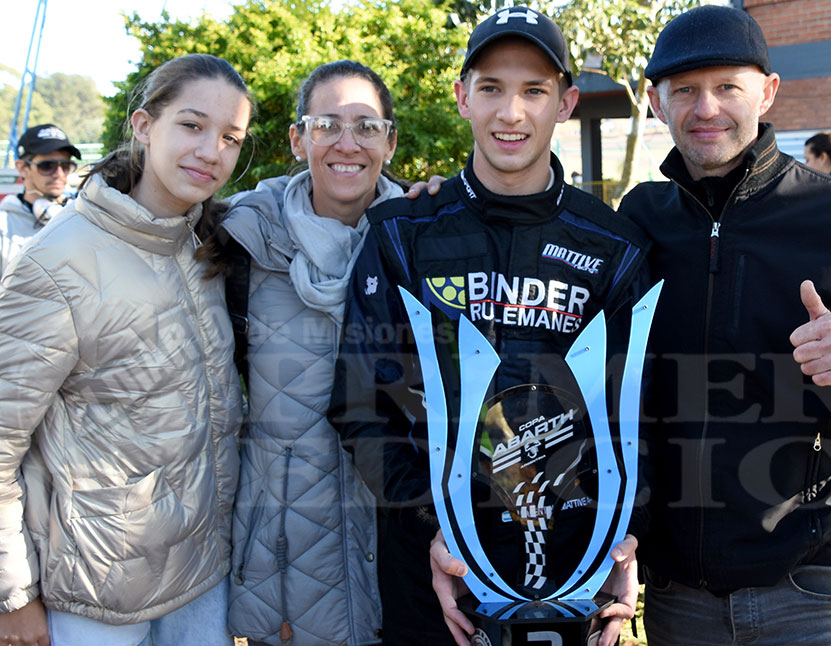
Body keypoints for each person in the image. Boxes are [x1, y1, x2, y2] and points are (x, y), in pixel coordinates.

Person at [617, 6, 831, 645]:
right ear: (656, 103)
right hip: (678, 599)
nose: (706, 108)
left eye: (727, 86)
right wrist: (443, 204)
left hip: (817, 595)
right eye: (685, 90)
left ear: (767, 92)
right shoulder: (639, 220)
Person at [328, 7, 647, 646]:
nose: (511, 113)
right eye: (492, 88)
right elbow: (361, 406)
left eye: (535, 90)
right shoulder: (403, 234)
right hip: (434, 568)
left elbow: (639, 414)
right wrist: (436, 528)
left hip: (574, 568)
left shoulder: (615, 245)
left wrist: (624, 539)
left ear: (566, 103)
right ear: (462, 97)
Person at [0, 53, 250, 646]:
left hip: (201, 578)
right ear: (143, 125)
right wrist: (13, 595)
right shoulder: (58, 262)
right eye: (191, 125)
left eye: (230, 137)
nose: (210, 151)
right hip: (96, 597)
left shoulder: (205, 244)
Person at [218, 59, 404, 646]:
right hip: (287, 566)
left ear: (390, 143)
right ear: (299, 140)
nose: (347, 144)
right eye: (327, 125)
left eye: (367, 126)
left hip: (404, 558)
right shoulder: (243, 243)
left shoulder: (425, 241)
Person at [0, 124, 81, 272]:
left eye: (66, 166)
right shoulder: (4, 225)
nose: (59, 174)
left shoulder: (82, 216)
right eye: (47, 165)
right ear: (23, 168)